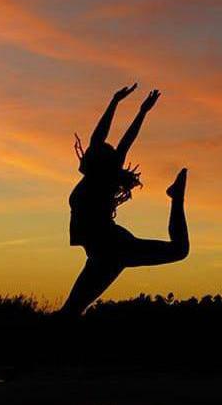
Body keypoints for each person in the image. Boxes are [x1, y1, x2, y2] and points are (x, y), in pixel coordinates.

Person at [58, 84, 189, 317]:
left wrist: (137, 111)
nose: (98, 146)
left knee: (71, 310)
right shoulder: (95, 177)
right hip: (106, 251)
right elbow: (101, 137)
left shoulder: (101, 179)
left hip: (111, 248)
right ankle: (175, 198)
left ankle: (176, 198)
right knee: (72, 309)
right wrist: (117, 102)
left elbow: (120, 140)